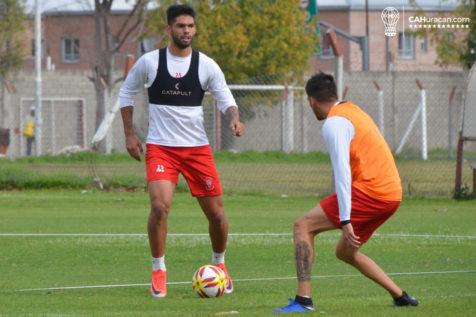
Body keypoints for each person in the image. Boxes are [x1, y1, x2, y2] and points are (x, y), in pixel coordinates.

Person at [119, 4, 245, 298]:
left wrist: (234, 118)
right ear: (169, 30)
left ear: (194, 29)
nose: (186, 31)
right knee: (160, 207)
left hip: (197, 151)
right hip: (161, 149)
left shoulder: (206, 65)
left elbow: (226, 98)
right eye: (180, 26)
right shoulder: (150, 62)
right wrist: (128, 134)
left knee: (216, 215)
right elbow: (126, 92)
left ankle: (220, 265)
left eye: (190, 26)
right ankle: (158, 270)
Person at [274, 73, 418, 313]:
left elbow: (342, 172)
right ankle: (401, 296)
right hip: (391, 193)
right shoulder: (352, 110)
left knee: (303, 226)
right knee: (345, 252)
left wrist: (345, 219)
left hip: (372, 191)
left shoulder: (334, 122)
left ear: (311, 101)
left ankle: (303, 300)